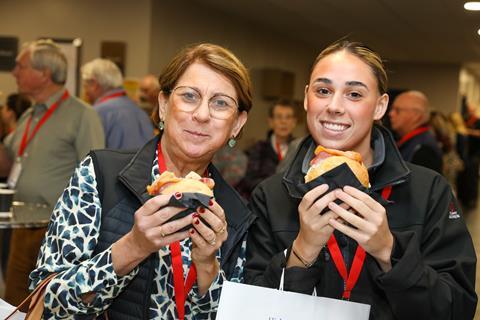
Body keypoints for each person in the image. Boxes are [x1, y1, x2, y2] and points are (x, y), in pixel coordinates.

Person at [244, 40, 477, 319]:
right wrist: (301, 253)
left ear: (379, 107)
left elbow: (457, 308)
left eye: (354, 94)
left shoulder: (429, 191)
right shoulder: (270, 195)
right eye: (323, 90)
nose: (334, 106)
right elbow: (250, 309)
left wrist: (389, 251)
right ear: (307, 98)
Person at [30, 43, 254, 319]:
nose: (202, 114)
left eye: (220, 103)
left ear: (237, 123)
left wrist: (207, 265)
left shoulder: (234, 214)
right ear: (163, 104)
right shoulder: (102, 174)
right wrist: (133, 247)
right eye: (189, 96)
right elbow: (48, 302)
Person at [2, 39, 105, 308]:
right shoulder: (29, 115)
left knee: (47, 306)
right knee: (14, 303)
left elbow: (97, 177)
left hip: (56, 231)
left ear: (44, 74)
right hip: (20, 226)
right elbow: (7, 164)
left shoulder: (82, 115)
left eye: (21, 66)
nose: (14, 73)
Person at [82, 58, 154, 149]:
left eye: (85, 85)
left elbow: (88, 155)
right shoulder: (140, 112)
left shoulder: (96, 113)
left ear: (94, 85)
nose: (85, 91)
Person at [237, 99, 297, 198]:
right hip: (263, 199)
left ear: (294, 122)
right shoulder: (258, 149)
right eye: (279, 117)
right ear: (271, 122)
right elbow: (250, 181)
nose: (283, 121)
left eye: (288, 117)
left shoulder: (299, 148)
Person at [388, 90, 443, 174]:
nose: (391, 114)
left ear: (416, 116)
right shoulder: (413, 142)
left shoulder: (424, 150)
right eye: (392, 109)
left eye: (397, 110)